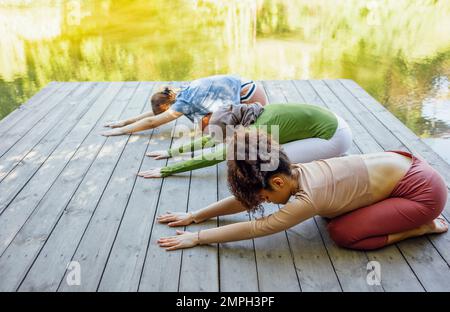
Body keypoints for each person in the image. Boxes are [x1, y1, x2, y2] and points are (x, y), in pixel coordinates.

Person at [156, 129, 448, 251]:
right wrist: (195, 215)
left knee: (342, 233)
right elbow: (244, 202)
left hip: (423, 194)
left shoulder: (308, 198)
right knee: (331, 217)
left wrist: (198, 238)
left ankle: (420, 228)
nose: (264, 202)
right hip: (404, 167)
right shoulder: (293, 170)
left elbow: (257, 228)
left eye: (265, 197)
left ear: (278, 182)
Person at [138, 102, 352, 178]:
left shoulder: (257, 130)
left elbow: (217, 155)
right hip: (332, 120)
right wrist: (170, 152)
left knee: (271, 164)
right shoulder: (249, 112)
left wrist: (167, 170)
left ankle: (336, 158)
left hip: (334, 136)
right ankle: (330, 155)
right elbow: (212, 140)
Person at [100, 75, 268, 136]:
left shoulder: (183, 103)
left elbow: (153, 121)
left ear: (168, 106)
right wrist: (124, 122)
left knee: (213, 133)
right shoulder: (177, 91)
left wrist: (120, 131)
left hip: (249, 95)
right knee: (204, 126)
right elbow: (155, 114)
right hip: (247, 84)